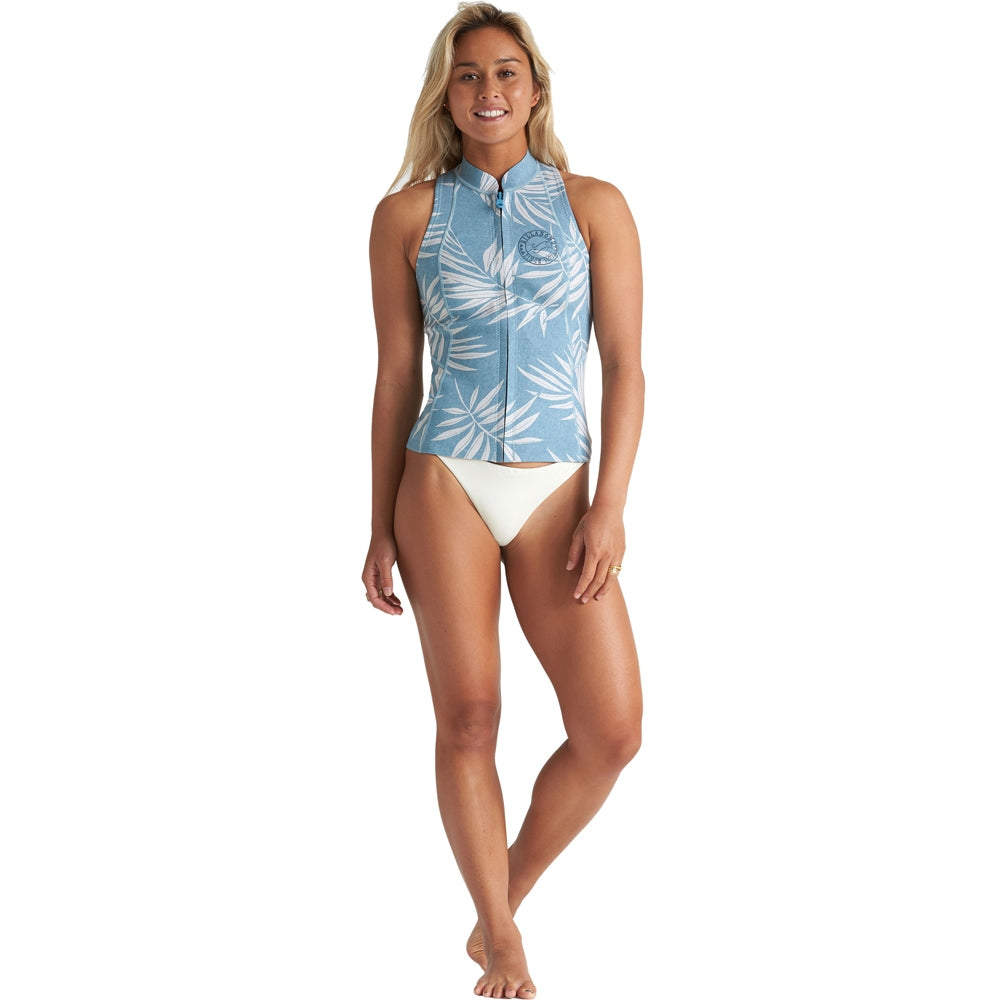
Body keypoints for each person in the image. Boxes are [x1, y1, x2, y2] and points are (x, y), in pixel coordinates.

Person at [361, 3, 643, 996]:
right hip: (443, 476)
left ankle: (498, 907)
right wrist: (376, 524)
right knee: (471, 717)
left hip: (561, 487)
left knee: (611, 731)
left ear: (535, 90)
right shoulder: (407, 216)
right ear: (446, 93)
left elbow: (626, 367)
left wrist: (610, 506)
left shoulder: (593, 205)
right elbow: (396, 376)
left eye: (505, 73)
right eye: (468, 74)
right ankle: (506, 942)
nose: (488, 90)